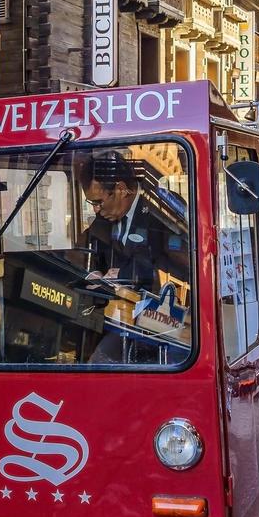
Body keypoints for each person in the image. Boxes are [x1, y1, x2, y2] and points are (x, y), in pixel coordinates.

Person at [77, 150, 190, 361]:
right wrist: (93, 272)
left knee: (100, 363)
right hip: (115, 315)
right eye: (91, 203)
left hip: (160, 323)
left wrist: (119, 275)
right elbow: (93, 247)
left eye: (99, 201)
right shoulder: (105, 218)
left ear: (120, 189)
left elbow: (174, 264)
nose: (96, 209)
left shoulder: (162, 208)